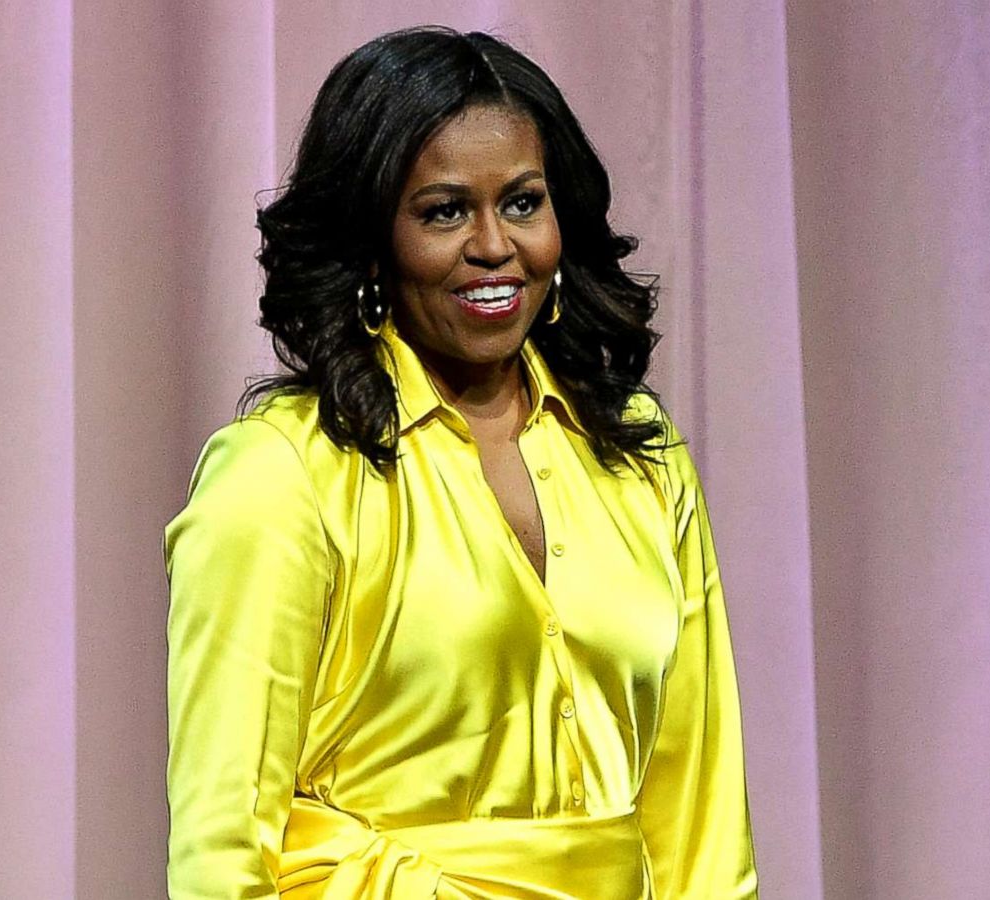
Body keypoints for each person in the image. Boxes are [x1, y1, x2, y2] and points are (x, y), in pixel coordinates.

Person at [164, 25, 756, 899]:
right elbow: (221, 854)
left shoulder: (641, 454)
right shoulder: (278, 476)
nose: (493, 246)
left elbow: (700, 820)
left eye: (522, 202)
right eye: (444, 211)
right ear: (373, 243)